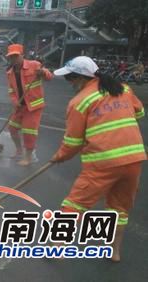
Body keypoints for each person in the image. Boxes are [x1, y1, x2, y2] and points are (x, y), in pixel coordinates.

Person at [51, 56, 146, 262]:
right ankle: (114, 251)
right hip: (133, 159)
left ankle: (58, 246)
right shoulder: (123, 89)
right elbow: (139, 113)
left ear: (78, 78)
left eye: (69, 79)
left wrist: (58, 157)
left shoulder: (80, 101)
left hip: (103, 161)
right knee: (119, 208)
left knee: (75, 203)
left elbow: (73, 142)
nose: (69, 84)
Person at [5, 44, 53, 166]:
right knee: (12, 128)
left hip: (33, 107)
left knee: (29, 131)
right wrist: (15, 101)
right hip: (20, 106)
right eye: (11, 57)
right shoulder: (10, 73)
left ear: (22, 55)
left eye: (16, 56)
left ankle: (28, 157)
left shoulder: (34, 65)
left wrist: (43, 73)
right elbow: (11, 91)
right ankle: (19, 150)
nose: (14, 59)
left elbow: (49, 76)